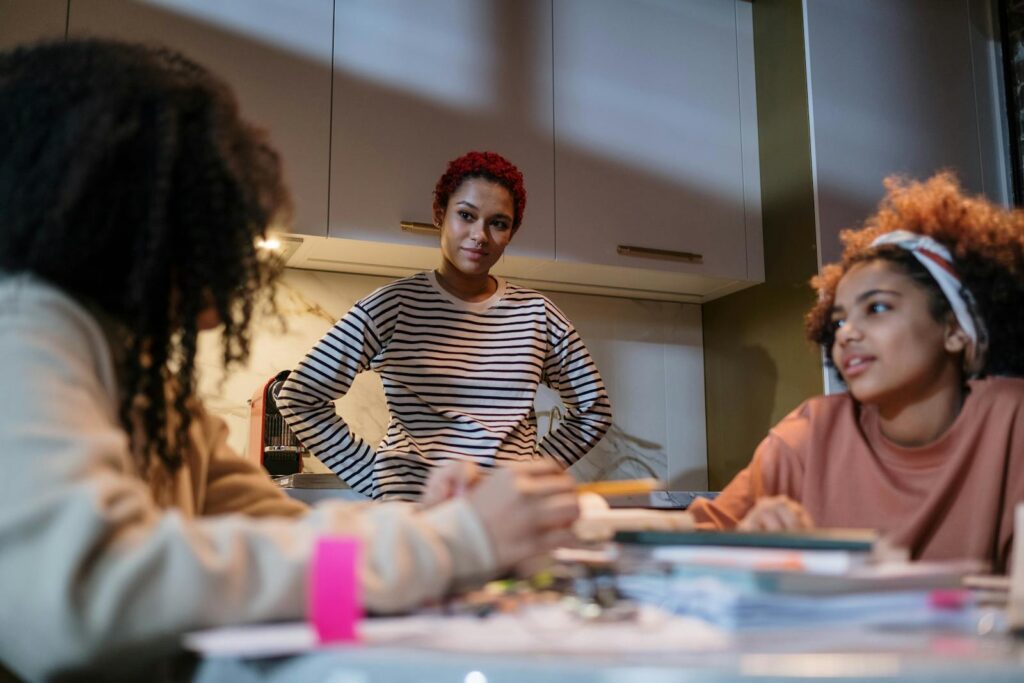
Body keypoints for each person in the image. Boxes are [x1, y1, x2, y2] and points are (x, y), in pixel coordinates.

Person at [0, 39, 580, 681]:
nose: (232, 278)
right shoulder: (26, 330)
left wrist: (442, 531)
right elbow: (81, 599)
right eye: (218, 224)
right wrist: (455, 541)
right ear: (134, 217)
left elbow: (294, 553)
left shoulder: (148, 386)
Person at [688, 173, 1024, 573]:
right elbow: (684, 547)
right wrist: (747, 542)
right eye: (839, 321)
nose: (847, 334)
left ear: (953, 330)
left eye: (877, 308)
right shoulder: (809, 434)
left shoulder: (1011, 419)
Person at [277, 151, 613, 501]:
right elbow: (300, 396)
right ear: (439, 213)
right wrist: (376, 478)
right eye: (466, 215)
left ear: (512, 232)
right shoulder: (392, 306)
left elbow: (594, 411)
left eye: (498, 223)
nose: (480, 235)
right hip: (414, 516)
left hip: (505, 515)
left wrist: (530, 477)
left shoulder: (538, 315)